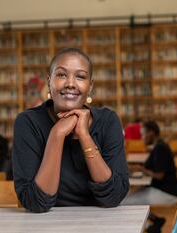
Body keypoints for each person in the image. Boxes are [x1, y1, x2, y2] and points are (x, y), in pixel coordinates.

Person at [12, 48, 129, 213]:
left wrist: (84, 135)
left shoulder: (108, 121)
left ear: (90, 85)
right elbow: (35, 202)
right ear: (49, 82)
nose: (70, 84)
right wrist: (57, 134)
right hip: (45, 225)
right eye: (61, 75)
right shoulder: (28, 123)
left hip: (101, 223)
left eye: (80, 77)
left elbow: (114, 197)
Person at [122, 121, 177, 233]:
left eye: (143, 134)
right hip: (162, 189)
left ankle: (150, 225)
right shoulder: (158, 146)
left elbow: (159, 175)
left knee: (125, 202)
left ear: (151, 133)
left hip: (168, 193)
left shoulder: (160, 148)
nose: (141, 137)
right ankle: (154, 222)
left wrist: (140, 169)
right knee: (130, 198)